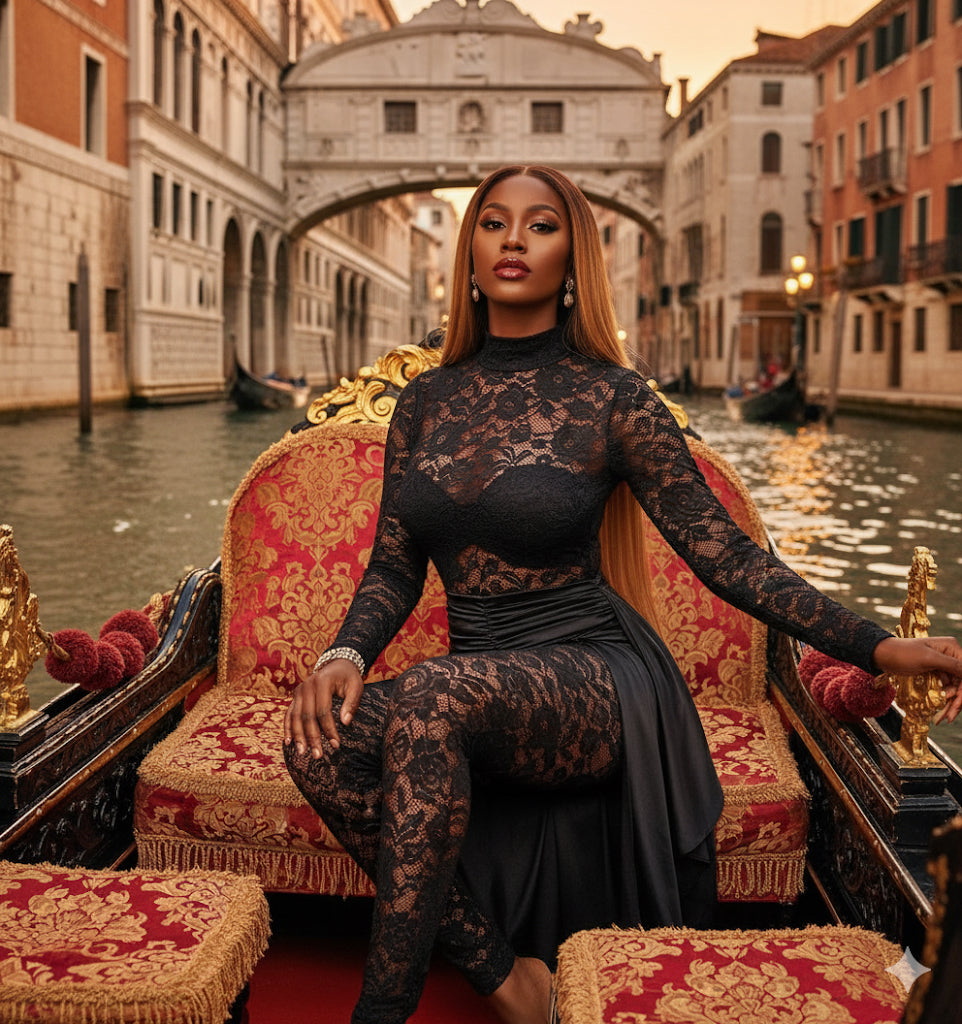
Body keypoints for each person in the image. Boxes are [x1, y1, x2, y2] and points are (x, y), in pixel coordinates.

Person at [283, 164, 962, 1024]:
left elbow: (727, 556)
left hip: (598, 677)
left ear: (573, 262)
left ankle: (378, 1012)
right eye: (493, 223)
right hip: (478, 679)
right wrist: (343, 654)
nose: (514, 240)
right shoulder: (423, 403)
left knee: (430, 694)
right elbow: (393, 566)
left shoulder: (613, 398)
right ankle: (508, 977)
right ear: (469, 255)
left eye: (541, 225)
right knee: (317, 742)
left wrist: (879, 645)